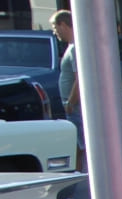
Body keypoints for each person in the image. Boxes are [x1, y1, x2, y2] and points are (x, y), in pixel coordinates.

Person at [49, 10, 84, 175]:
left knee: (82, 145)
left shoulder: (76, 48)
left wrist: (71, 102)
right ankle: (76, 179)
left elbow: (80, 78)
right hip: (72, 106)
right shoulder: (71, 47)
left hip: (75, 107)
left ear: (63, 24)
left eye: (55, 27)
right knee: (75, 146)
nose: (55, 32)